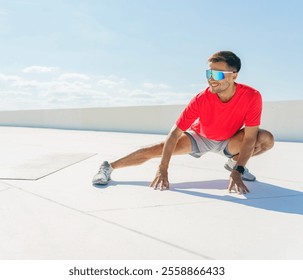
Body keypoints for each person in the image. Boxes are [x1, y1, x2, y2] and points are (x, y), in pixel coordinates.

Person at [92, 51, 274, 194]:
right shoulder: (201, 99)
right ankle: (108, 167)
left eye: (217, 74)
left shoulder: (252, 96)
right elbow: (174, 133)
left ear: (233, 76)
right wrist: (163, 168)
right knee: (155, 150)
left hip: (229, 140)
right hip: (200, 137)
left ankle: (234, 164)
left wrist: (239, 170)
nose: (211, 78)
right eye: (208, 73)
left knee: (265, 139)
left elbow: (250, 137)